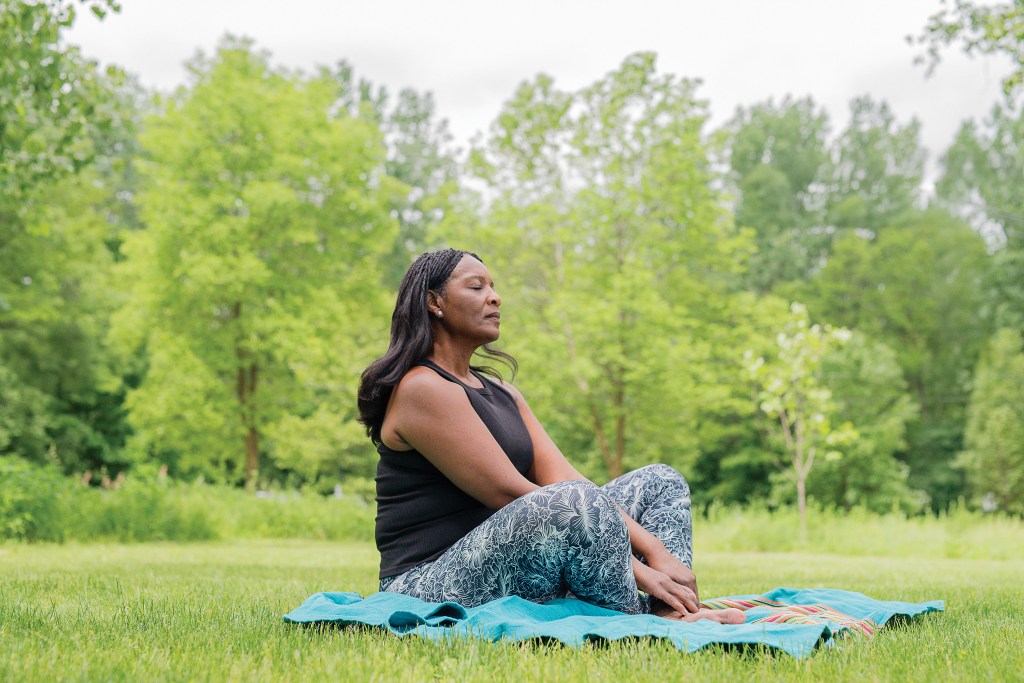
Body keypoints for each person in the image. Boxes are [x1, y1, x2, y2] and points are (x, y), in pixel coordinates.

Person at [357, 248, 743, 623]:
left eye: (493, 287)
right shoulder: (422, 388)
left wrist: (657, 552)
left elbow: (565, 477)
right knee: (572, 501)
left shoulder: (503, 392)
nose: (495, 297)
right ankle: (640, 616)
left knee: (659, 481)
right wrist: (641, 572)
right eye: (477, 287)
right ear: (433, 302)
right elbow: (507, 493)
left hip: (516, 556)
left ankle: (671, 607)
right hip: (429, 582)